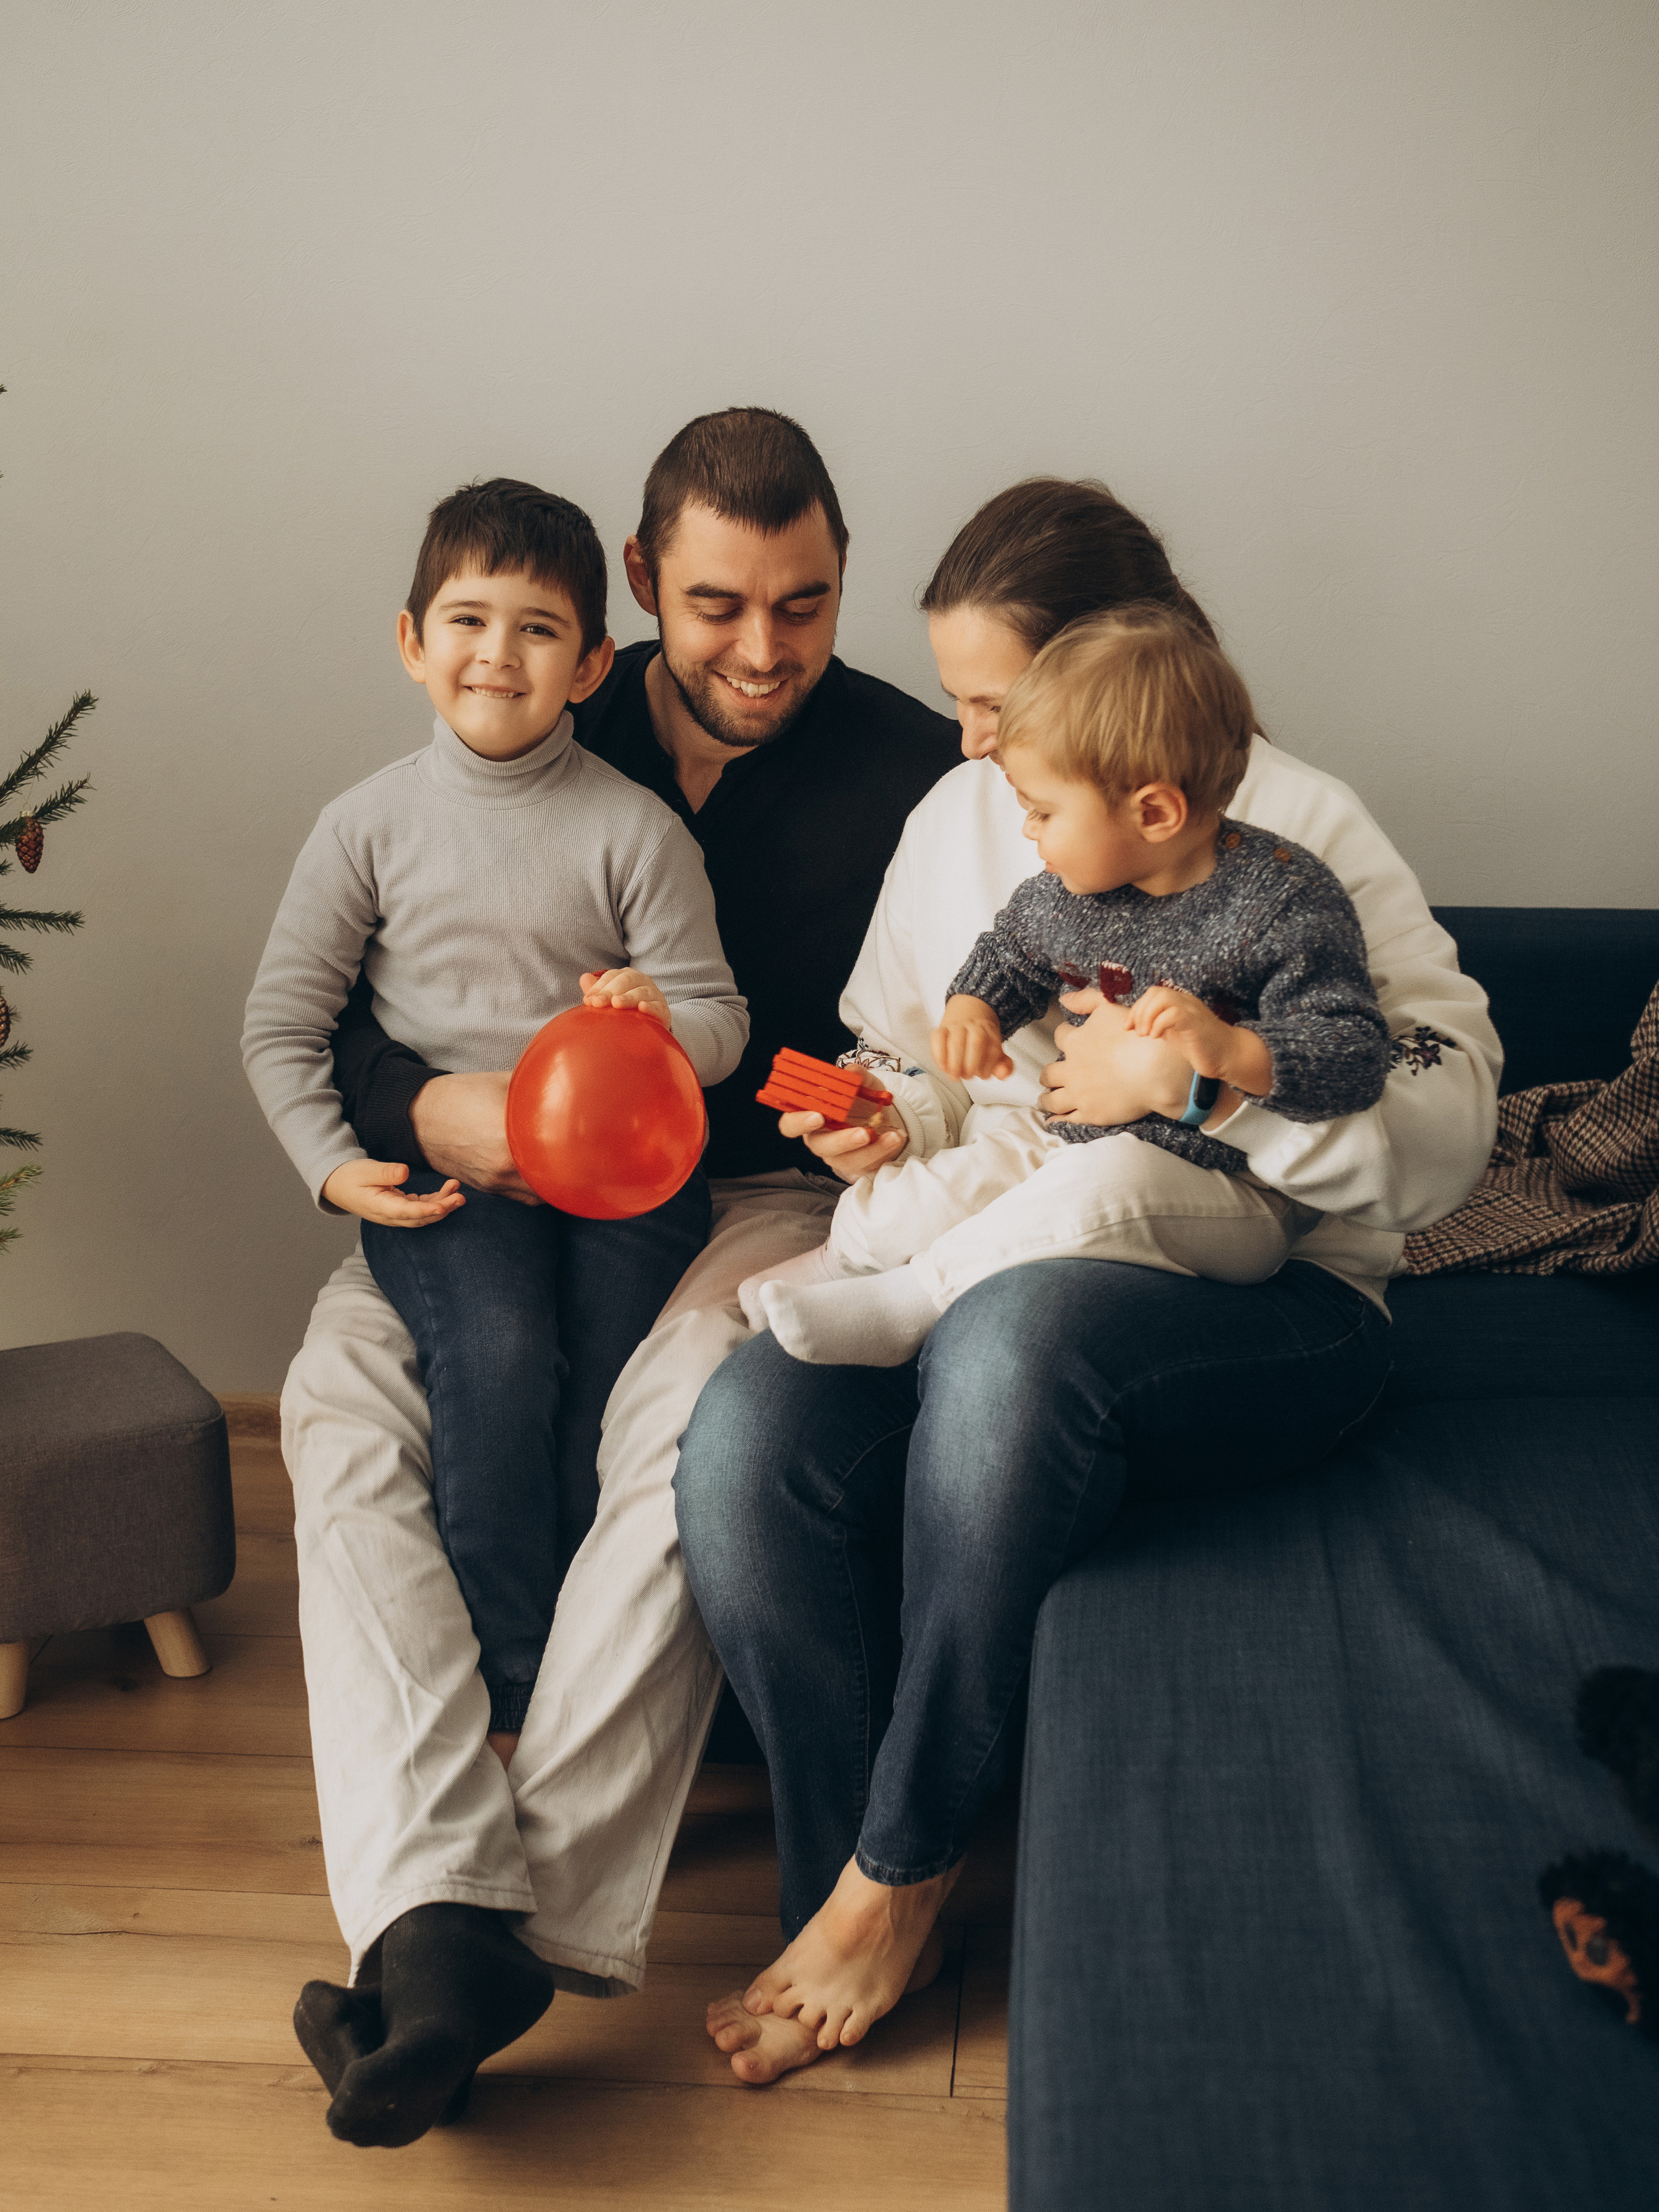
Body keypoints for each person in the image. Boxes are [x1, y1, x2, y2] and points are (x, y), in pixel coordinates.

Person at [674, 475, 1503, 2083]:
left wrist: (1201, 1090)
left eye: (993, 703)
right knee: (742, 1436)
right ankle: (840, 1883)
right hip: (999, 1212)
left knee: (1002, 1348)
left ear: (1117, 689)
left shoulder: (1297, 841)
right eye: (959, 702)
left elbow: (1442, 1127)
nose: (969, 740)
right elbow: (915, 1052)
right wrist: (877, 1120)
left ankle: (899, 1871)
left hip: (1267, 1283)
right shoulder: (961, 821)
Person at [275, 410, 960, 2147]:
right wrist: (427, 1107)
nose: (761, 649)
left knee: (678, 1427)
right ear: (644, 590)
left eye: (804, 606)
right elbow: (354, 1004)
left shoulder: (913, 775)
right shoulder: (527, 713)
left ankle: (529, 1913)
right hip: (489, 1175)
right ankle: (428, 1905)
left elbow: (949, 1035)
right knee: (341, 1407)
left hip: (749, 1190)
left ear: (840, 587)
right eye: (721, 604)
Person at [243, 478, 747, 2141]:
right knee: (493, 1367)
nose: (499, 654)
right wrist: (340, 1172)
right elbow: (282, 1028)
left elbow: (721, 1018)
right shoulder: (366, 823)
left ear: (592, 662)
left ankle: (443, 1941)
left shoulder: (630, 827)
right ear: (410, 640)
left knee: (611, 1404)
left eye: (538, 629)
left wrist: (651, 1018)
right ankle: (515, 1679)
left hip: (618, 1183)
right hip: (445, 1191)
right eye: (466, 620)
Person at [745, 603, 1390, 1368]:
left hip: (1226, 1190)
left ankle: (914, 1299)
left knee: (1108, 1180)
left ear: (1152, 811)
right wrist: (973, 1006)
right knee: (958, 1179)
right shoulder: (1074, 888)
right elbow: (1014, 948)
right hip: (1071, 1138)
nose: (1027, 832)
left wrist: (1226, 1053)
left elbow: (1351, 1050)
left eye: (1043, 811)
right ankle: (838, 1266)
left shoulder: (1283, 902)